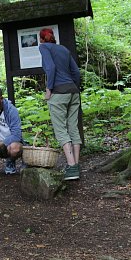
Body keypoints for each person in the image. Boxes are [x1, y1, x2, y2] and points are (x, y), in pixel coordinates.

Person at [38, 27, 82, 180]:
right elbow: (76, 72)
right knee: (72, 127)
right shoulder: (63, 48)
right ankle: (76, 164)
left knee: (61, 129)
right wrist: (73, 86)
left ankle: (71, 167)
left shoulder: (43, 47)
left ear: (41, 39)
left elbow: (50, 68)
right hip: (73, 91)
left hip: (58, 93)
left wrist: (49, 89)